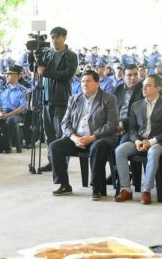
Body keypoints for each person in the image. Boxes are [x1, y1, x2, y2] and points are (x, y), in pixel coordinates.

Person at [49, 70, 119, 200]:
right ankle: (64, 184)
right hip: (78, 137)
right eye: (82, 81)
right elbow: (65, 122)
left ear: (97, 83)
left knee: (98, 147)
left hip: (99, 138)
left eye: (88, 81)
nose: (84, 84)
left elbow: (112, 125)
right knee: (54, 146)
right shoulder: (75, 99)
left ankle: (96, 188)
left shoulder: (109, 99)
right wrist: (74, 137)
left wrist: (92, 137)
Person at [114, 74, 162, 205]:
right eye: (143, 86)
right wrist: (137, 141)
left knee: (153, 152)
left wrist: (151, 142)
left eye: (148, 85)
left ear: (158, 88)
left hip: (159, 142)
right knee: (120, 150)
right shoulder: (136, 105)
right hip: (139, 140)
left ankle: (146, 190)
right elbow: (132, 129)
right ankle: (126, 189)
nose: (144, 88)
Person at [38, 26, 78, 170]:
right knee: (48, 135)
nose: (54, 40)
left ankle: (62, 164)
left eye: (57, 37)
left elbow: (66, 74)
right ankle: (52, 161)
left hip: (61, 100)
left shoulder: (71, 55)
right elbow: (35, 68)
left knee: (62, 134)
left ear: (64, 37)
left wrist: (46, 73)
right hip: (46, 99)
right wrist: (32, 54)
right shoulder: (48, 54)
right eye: (52, 37)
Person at [0, 65, 29, 153]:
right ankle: (1, 145)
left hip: (16, 114)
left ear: (18, 76)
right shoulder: (2, 89)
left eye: (10, 74)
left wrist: (9, 115)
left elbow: (23, 107)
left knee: (10, 121)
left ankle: (7, 146)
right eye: (6, 74)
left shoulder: (23, 90)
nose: (7, 76)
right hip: (3, 113)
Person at [114, 64, 143, 135]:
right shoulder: (118, 88)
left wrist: (122, 124)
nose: (133, 78)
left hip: (132, 127)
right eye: (129, 75)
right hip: (115, 124)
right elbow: (111, 108)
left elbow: (140, 115)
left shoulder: (143, 90)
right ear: (123, 77)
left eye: (135, 74)